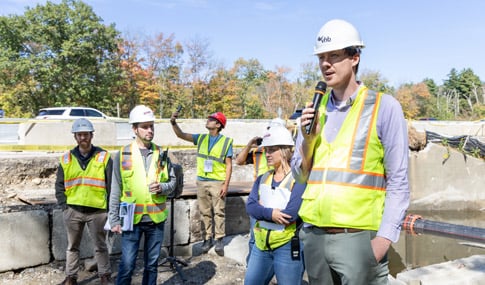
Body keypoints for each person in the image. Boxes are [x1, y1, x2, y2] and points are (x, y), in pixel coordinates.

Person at [291, 19, 410, 284]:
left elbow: (399, 181)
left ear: (354, 58)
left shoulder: (384, 107)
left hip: (359, 241)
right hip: (314, 238)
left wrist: (382, 240)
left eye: (334, 56)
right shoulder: (312, 112)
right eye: (321, 57)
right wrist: (308, 141)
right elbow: (300, 177)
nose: (325, 64)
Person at [109, 105, 177, 285]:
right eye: (145, 126)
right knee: (127, 265)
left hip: (156, 220)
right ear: (134, 129)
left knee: (151, 265)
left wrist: (163, 187)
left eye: (151, 126)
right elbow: (116, 188)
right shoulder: (123, 154)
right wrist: (114, 219)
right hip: (131, 219)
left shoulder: (161, 153)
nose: (150, 130)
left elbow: (172, 182)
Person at [55, 118, 114, 285]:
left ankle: (105, 275)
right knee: (72, 246)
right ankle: (71, 276)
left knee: (100, 246)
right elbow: (59, 185)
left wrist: (110, 209)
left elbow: (111, 185)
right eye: (80, 135)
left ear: (91, 135)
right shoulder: (66, 158)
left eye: (86, 134)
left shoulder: (103, 156)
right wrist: (64, 206)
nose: (83, 138)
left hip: (98, 211)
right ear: (75, 137)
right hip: (73, 210)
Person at [244, 125, 305, 285]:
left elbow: (290, 214)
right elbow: (250, 207)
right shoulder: (263, 178)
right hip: (261, 245)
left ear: (285, 150)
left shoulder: (298, 179)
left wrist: (261, 209)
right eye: (266, 150)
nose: (267, 154)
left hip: (287, 246)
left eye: (272, 150)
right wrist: (272, 214)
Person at [170, 110, 233, 256]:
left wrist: (226, 185)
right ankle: (207, 238)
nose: (208, 120)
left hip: (218, 181)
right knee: (205, 212)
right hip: (202, 181)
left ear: (218, 124)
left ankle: (219, 239)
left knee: (219, 211)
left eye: (211, 119)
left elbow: (229, 165)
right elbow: (180, 134)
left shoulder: (226, 142)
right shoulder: (201, 138)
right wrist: (173, 122)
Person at [235, 117, 287, 265]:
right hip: (261, 196)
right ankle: (253, 265)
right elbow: (239, 161)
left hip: (280, 194)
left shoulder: (286, 152)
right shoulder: (260, 151)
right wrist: (250, 144)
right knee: (255, 234)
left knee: (280, 233)